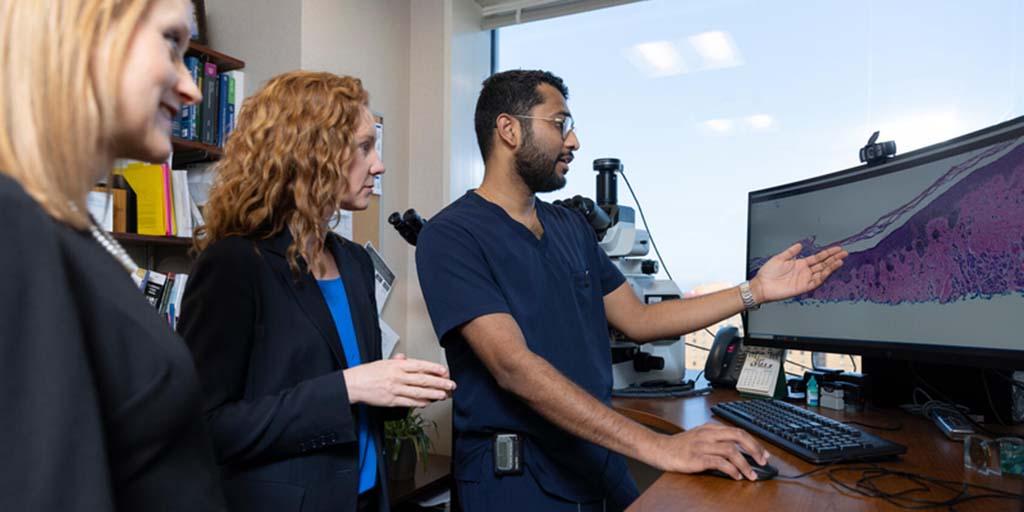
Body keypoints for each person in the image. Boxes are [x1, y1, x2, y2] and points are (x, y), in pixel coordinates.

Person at [415, 69, 849, 511]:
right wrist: (658, 447)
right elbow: (513, 366)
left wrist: (754, 291)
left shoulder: (569, 228)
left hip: (595, 459)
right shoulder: (451, 236)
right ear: (509, 129)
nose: (574, 141)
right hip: (516, 477)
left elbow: (640, 320)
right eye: (559, 123)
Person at [178, 71, 457, 512]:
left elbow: (357, 403)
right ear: (312, 153)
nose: (378, 165)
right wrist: (349, 386)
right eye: (365, 147)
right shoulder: (234, 265)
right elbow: (206, 427)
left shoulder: (355, 262)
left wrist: (396, 389)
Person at [0, 0, 226, 510]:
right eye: (171, 45)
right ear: (85, 30)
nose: (190, 88)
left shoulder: (68, 230)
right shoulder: (15, 225)